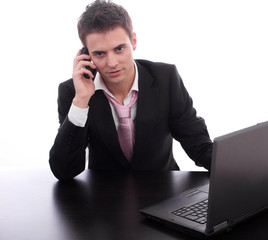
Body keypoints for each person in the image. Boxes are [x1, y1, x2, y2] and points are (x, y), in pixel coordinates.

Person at [49, 0, 213, 181]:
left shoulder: (166, 78)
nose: (112, 63)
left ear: (133, 41)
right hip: (103, 198)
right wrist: (81, 101)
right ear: (86, 54)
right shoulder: (73, 92)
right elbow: (64, 171)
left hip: (162, 192)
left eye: (119, 49)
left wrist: (236, 173)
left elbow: (198, 144)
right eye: (99, 54)